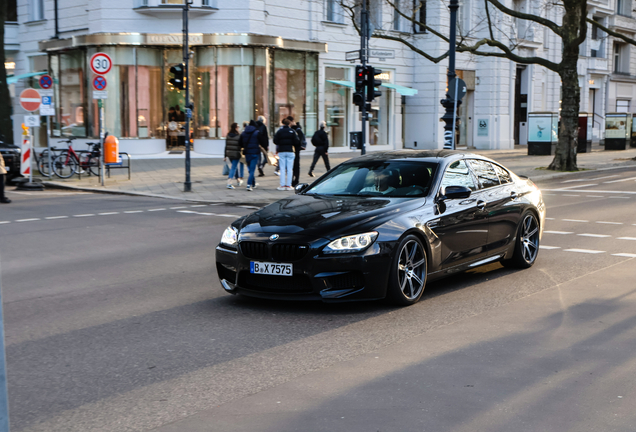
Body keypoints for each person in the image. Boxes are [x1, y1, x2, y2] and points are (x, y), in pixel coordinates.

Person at [273, 118, 300, 191]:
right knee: (289, 169)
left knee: (282, 168)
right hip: (290, 151)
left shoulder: (279, 131)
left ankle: (282, 185)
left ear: (283, 124)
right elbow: (297, 141)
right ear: (289, 124)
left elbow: (275, 141)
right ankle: (289, 185)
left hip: (281, 151)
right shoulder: (292, 131)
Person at [239, 120, 261, 191]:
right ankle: (249, 184)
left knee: (250, 169)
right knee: (252, 170)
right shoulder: (257, 133)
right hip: (255, 152)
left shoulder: (243, 133)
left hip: (247, 153)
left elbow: (240, 143)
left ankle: (253, 183)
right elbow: (261, 141)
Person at [224, 123, 244, 189]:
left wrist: (225, 155)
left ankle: (238, 180)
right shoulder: (238, 136)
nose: (238, 127)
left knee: (234, 167)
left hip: (229, 154)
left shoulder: (228, 135)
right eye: (238, 126)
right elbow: (241, 145)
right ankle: (229, 182)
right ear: (235, 128)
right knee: (233, 167)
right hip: (236, 154)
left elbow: (226, 146)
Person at [287, 116, 306, 187]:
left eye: (289, 122)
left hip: (296, 150)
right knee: (292, 166)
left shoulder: (297, 130)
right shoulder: (292, 129)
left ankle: (296, 180)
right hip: (292, 150)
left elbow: (300, 141)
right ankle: (292, 180)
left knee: (296, 166)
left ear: (292, 121)